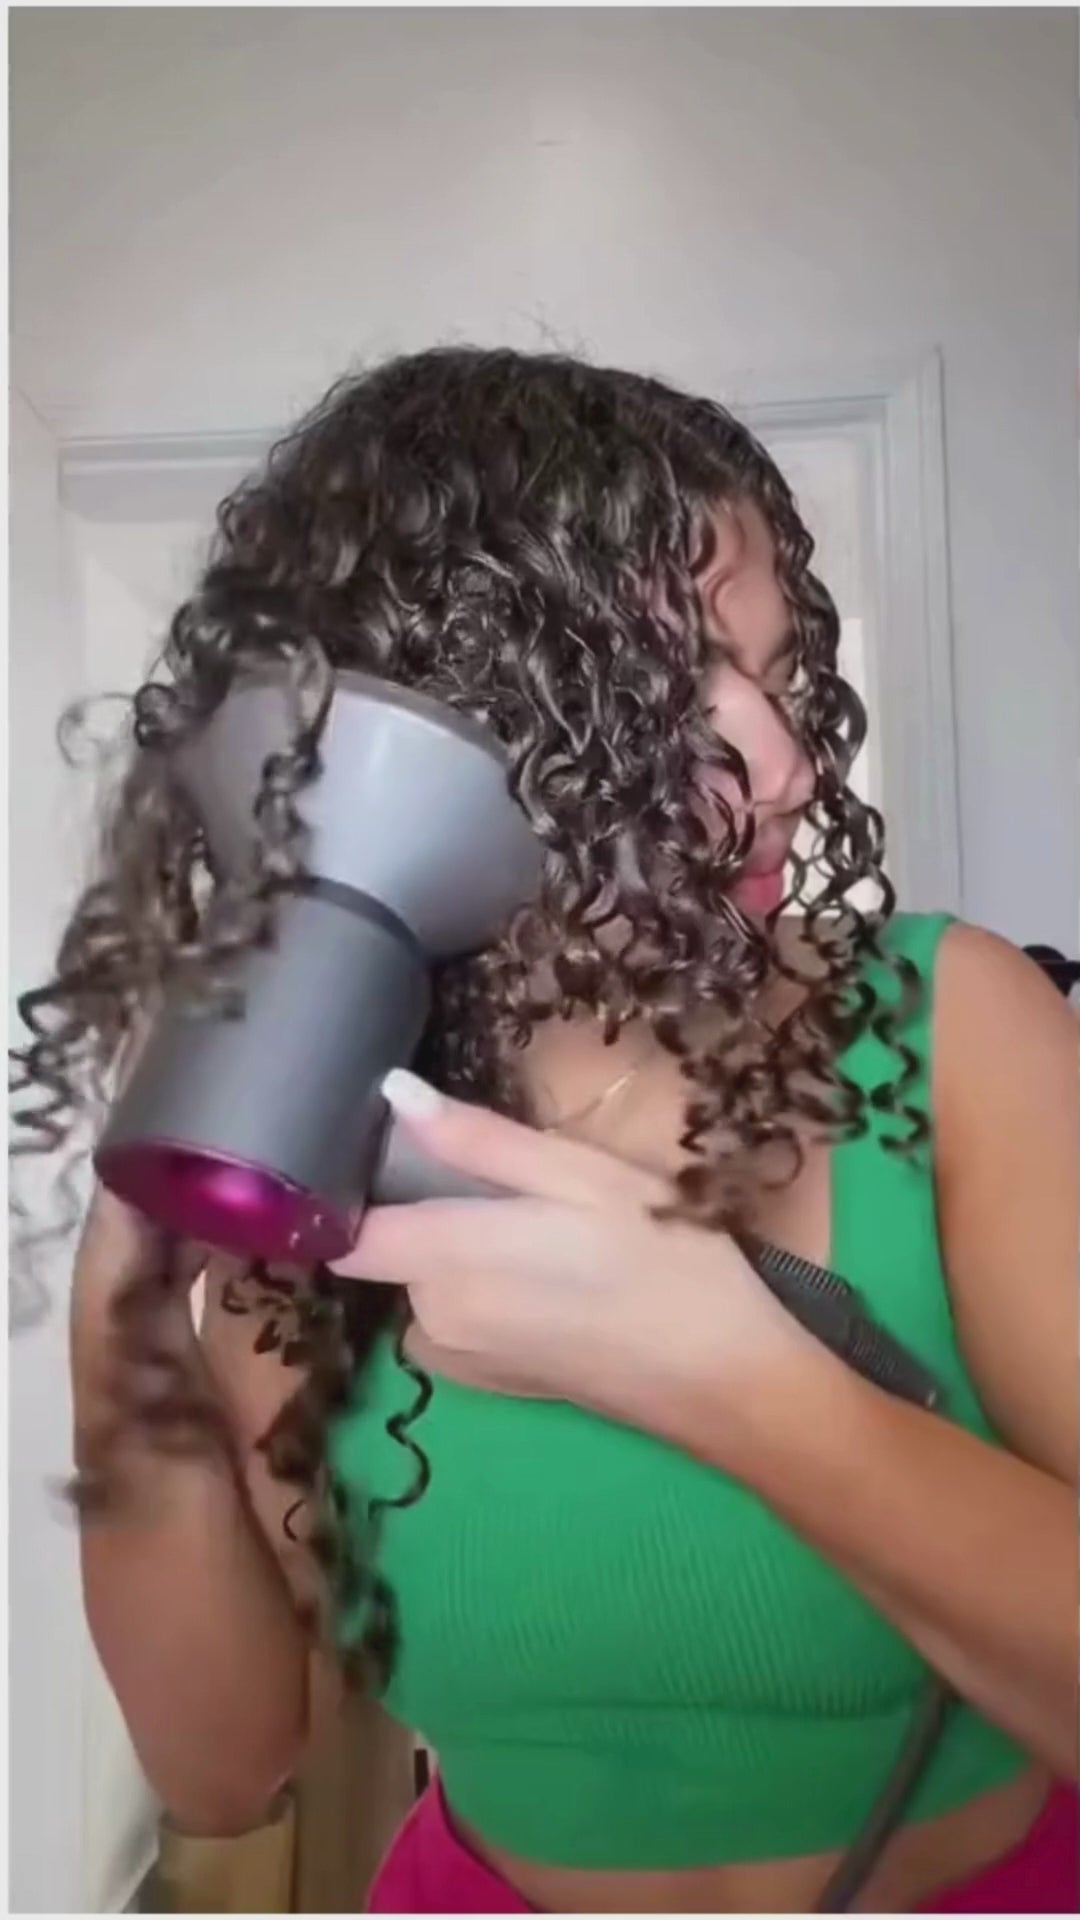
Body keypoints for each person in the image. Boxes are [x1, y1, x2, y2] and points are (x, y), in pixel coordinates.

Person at [13, 348, 1077, 1913]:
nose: (789, 767)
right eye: (662, 693)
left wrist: (723, 1374)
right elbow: (226, 1769)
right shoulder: (331, 1152)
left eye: (782, 677)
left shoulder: (952, 1022)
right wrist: (123, 1304)